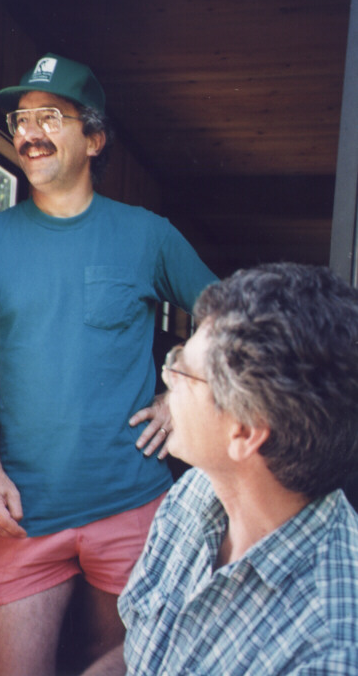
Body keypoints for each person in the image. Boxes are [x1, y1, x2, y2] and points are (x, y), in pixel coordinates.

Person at [0, 52, 217, 676]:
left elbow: (232, 317)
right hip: (22, 513)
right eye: (21, 120)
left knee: (121, 665)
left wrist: (177, 397)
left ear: (94, 139)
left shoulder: (148, 234)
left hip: (132, 501)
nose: (29, 133)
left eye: (50, 117)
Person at [106, 262, 358, 676]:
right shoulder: (197, 491)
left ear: (244, 432)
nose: (167, 377)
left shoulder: (328, 649)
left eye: (183, 369)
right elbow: (141, 656)